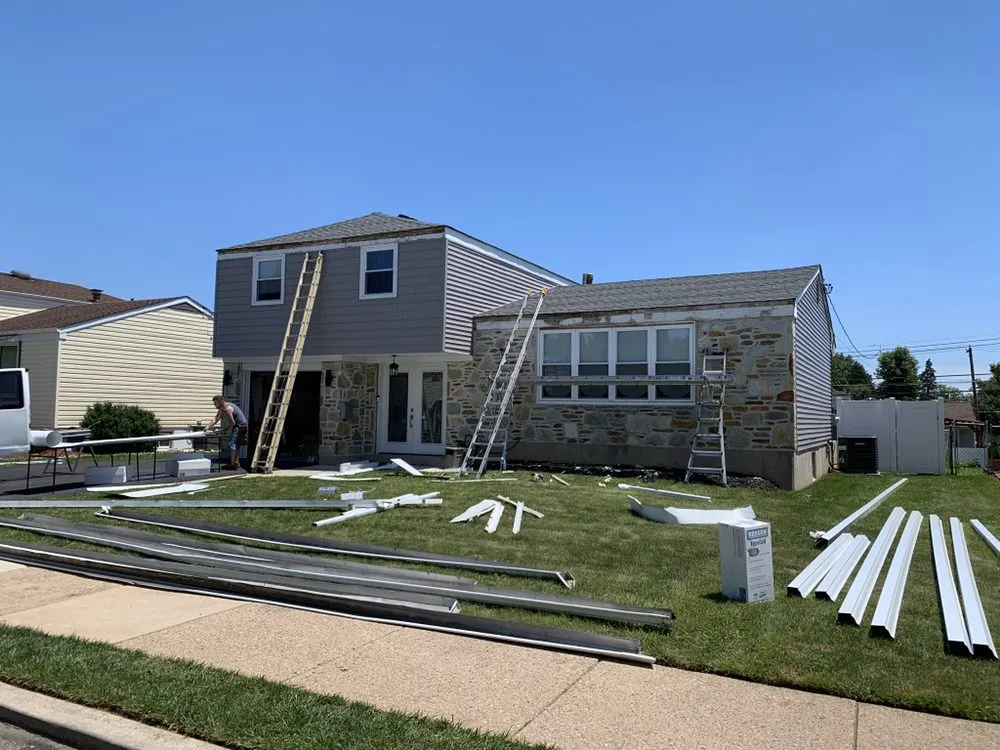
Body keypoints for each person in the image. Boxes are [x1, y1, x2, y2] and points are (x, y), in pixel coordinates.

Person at [206, 395, 247, 470]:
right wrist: (207, 427)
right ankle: (236, 463)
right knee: (235, 444)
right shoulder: (222, 408)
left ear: (220, 402)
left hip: (241, 426)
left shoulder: (227, 408)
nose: (214, 405)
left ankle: (232, 465)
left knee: (233, 444)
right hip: (238, 425)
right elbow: (216, 418)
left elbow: (232, 423)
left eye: (215, 404)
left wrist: (223, 430)